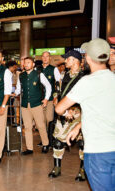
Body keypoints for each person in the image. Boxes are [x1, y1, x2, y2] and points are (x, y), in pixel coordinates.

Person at [57, 38, 115, 191]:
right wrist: (79, 126)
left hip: (98, 152)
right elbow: (104, 109)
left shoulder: (86, 82)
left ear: (88, 58)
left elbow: (59, 108)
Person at [48, 50, 86, 181]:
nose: (65, 61)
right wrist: (55, 99)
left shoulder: (85, 76)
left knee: (83, 143)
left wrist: (73, 109)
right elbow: (57, 89)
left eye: (68, 59)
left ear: (75, 61)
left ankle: (82, 170)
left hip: (79, 114)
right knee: (58, 142)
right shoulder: (63, 74)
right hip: (63, 113)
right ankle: (57, 168)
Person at [14, 57, 51, 155]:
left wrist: (46, 98)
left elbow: (48, 86)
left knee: (41, 126)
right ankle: (29, 148)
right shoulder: (21, 76)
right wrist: (15, 93)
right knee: (27, 127)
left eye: (28, 62)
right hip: (25, 105)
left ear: (33, 64)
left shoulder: (39, 74)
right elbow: (18, 89)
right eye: (25, 63)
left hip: (37, 104)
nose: (26, 64)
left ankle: (45, 144)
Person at [39, 52, 61, 146]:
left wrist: (57, 96)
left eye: (47, 56)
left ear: (50, 58)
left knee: (49, 119)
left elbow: (58, 82)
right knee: (41, 121)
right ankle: (44, 140)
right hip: (39, 99)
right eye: (43, 57)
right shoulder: (37, 69)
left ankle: (50, 139)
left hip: (51, 98)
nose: (45, 58)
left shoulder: (54, 69)